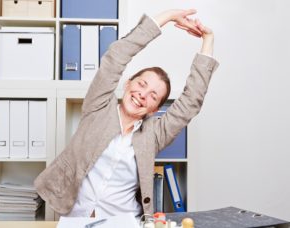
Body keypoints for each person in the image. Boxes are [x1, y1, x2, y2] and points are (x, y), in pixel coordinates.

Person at [34, 8, 219, 218]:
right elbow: (117, 56)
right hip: (75, 218)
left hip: (124, 221)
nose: (142, 95)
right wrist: (168, 17)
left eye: (153, 96)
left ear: (155, 109)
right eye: (142, 84)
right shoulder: (98, 105)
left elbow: (190, 101)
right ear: (128, 83)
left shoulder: (154, 135)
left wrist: (207, 39)